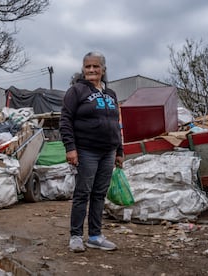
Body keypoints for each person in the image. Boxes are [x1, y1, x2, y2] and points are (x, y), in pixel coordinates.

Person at [59, 51, 124, 253]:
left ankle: (95, 236)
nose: (92, 70)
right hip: (86, 150)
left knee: (99, 194)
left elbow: (116, 124)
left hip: (108, 152)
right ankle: (76, 236)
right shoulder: (76, 91)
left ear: (103, 70)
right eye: (88, 67)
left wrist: (119, 150)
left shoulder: (111, 94)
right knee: (82, 193)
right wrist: (71, 148)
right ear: (83, 69)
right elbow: (65, 121)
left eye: (96, 66)